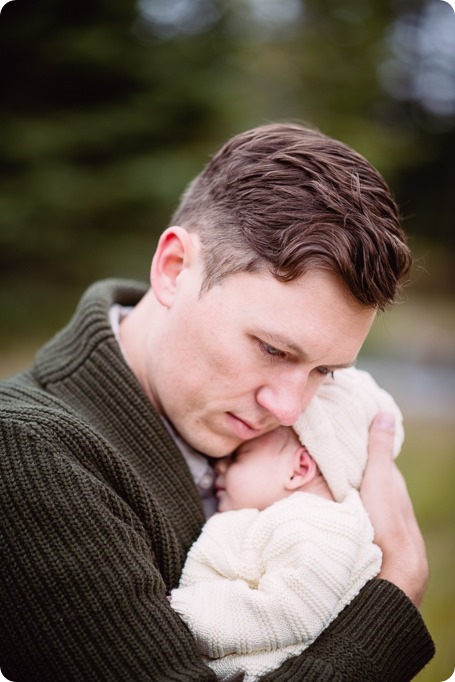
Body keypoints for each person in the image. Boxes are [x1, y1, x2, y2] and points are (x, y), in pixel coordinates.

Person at [0, 122, 434, 681]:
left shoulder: (330, 427)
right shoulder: (27, 456)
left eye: (324, 370)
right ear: (175, 269)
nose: (288, 408)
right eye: (272, 349)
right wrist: (397, 587)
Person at [170, 367, 405, 681]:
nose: (221, 465)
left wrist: (185, 614)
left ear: (299, 469)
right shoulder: (288, 519)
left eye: (240, 456)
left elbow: (291, 611)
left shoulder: (321, 524)